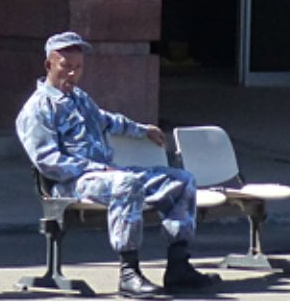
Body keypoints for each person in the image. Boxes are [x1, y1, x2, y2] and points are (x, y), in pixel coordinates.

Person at [15, 32, 221, 298]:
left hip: (105, 176)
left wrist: (142, 130)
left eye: (78, 68)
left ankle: (178, 265)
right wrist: (98, 169)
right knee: (126, 182)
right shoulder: (37, 109)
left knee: (181, 180)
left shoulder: (80, 99)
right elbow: (48, 162)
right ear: (49, 65)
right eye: (66, 67)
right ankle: (128, 273)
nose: (73, 74)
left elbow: (107, 120)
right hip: (70, 183)